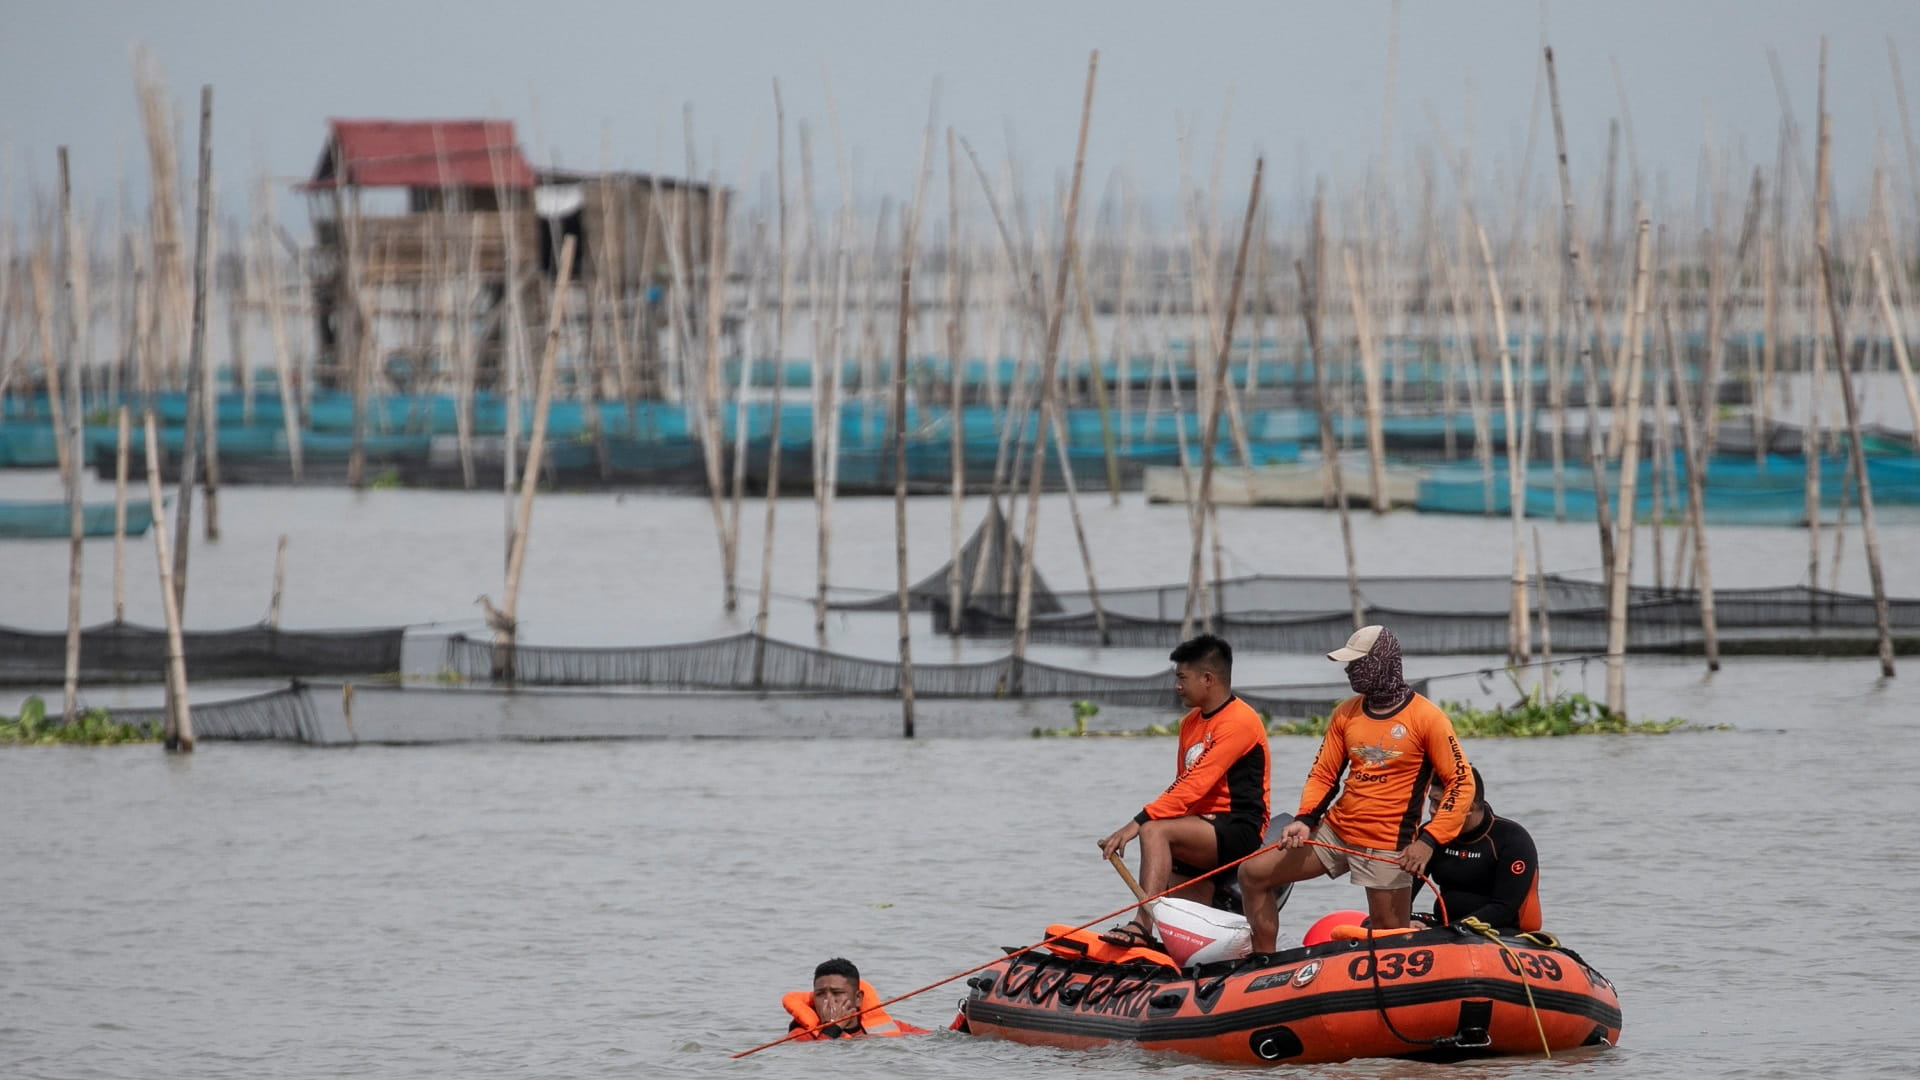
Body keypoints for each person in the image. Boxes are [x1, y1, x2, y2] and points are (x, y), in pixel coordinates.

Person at [1237, 625, 1474, 952]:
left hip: (1388, 843)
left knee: (1389, 940)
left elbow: (1461, 783)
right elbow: (1324, 774)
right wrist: (1304, 819)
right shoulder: (1345, 713)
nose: (1349, 671)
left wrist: (1429, 841)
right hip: (1335, 833)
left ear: (1382, 663)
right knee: (1252, 874)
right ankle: (1263, 964)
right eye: (1348, 664)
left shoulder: (1427, 718)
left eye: (1357, 663)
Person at [1097, 633, 1271, 948]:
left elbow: (1196, 784)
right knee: (1181, 930)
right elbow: (1183, 784)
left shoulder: (1240, 721)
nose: (1177, 686)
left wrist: (1137, 823)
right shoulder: (1190, 723)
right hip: (1200, 827)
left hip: (1239, 827)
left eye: (1182, 678)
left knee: (1154, 831)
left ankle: (1142, 924)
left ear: (1208, 679)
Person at [1413, 765, 1543, 933]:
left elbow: (1504, 908)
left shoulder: (1511, 839)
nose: (1431, 810)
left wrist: (1453, 930)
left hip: (1498, 929)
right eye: (1431, 800)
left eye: (1440, 804)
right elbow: (1406, 889)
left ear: (1469, 808)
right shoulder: (1429, 836)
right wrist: (1404, 921)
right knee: (1385, 921)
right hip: (1446, 925)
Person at [782, 958, 928, 1039]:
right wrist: (831, 1029)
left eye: (837, 993)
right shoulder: (800, 1035)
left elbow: (936, 1040)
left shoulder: (895, 1028)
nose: (828, 1000)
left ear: (858, 998)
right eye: (820, 994)